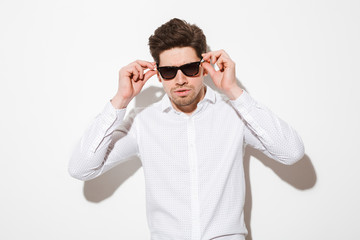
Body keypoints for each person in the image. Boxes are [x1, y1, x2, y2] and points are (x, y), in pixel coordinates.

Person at [69, 18, 305, 240]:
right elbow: (81, 169)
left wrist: (233, 91)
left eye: (190, 68)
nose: (180, 80)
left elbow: (291, 152)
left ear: (204, 68)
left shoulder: (234, 114)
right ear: (159, 76)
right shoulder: (143, 122)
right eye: (169, 71)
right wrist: (121, 99)